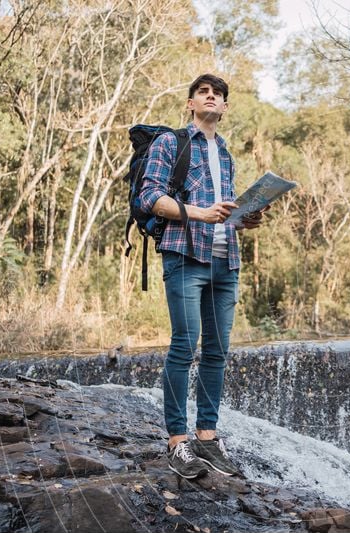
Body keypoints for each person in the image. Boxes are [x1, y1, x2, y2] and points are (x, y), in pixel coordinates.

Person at [138, 73, 267, 479]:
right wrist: (199, 213)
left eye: (218, 95)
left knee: (216, 352)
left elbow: (223, 213)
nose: (211, 98)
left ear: (225, 108)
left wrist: (246, 219)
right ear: (191, 103)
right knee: (183, 346)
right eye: (203, 93)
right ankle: (177, 442)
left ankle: (207, 438)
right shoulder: (170, 144)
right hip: (184, 256)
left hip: (225, 260)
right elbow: (150, 198)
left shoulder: (225, 154)